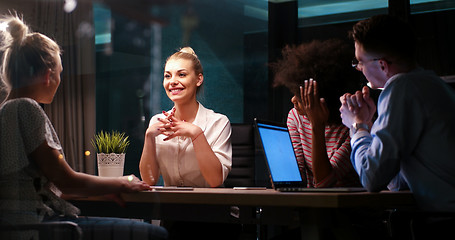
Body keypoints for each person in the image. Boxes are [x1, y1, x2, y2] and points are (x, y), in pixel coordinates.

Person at [0, 14, 168, 240]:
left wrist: (102, 187)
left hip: (19, 226)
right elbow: (65, 179)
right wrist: (123, 181)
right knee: (155, 234)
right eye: (59, 74)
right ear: (48, 76)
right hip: (38, 227)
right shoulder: (26, 108)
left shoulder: (7, 110)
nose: (59, 81)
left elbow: (52, 184)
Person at [339, 14, 455, 237]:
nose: (359, 68)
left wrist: (358, 126)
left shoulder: (401, 89)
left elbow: (371, 177)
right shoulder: (431, 84)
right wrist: (371, 125)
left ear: (382, 65)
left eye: (360, 62)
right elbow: (396, 183)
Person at [271, 39, 362, 188]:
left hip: (346, 207)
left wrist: (316, 125)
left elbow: (324, 182)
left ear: (320, 99)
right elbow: (296, 176)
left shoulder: (352, 124)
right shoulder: (295, 116)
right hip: (311, 206)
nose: (293, 99)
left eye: (300, 98)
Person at [139, 47, 232, 188]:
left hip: (209, 206)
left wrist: (196, 134)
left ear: (198, 79)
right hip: (170, 206)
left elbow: (215, 181)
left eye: (181, 75)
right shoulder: (156, 122)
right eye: (167, 76)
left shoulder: (218, 122)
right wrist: (149, 137)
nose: (173, 81)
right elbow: (149, 181)